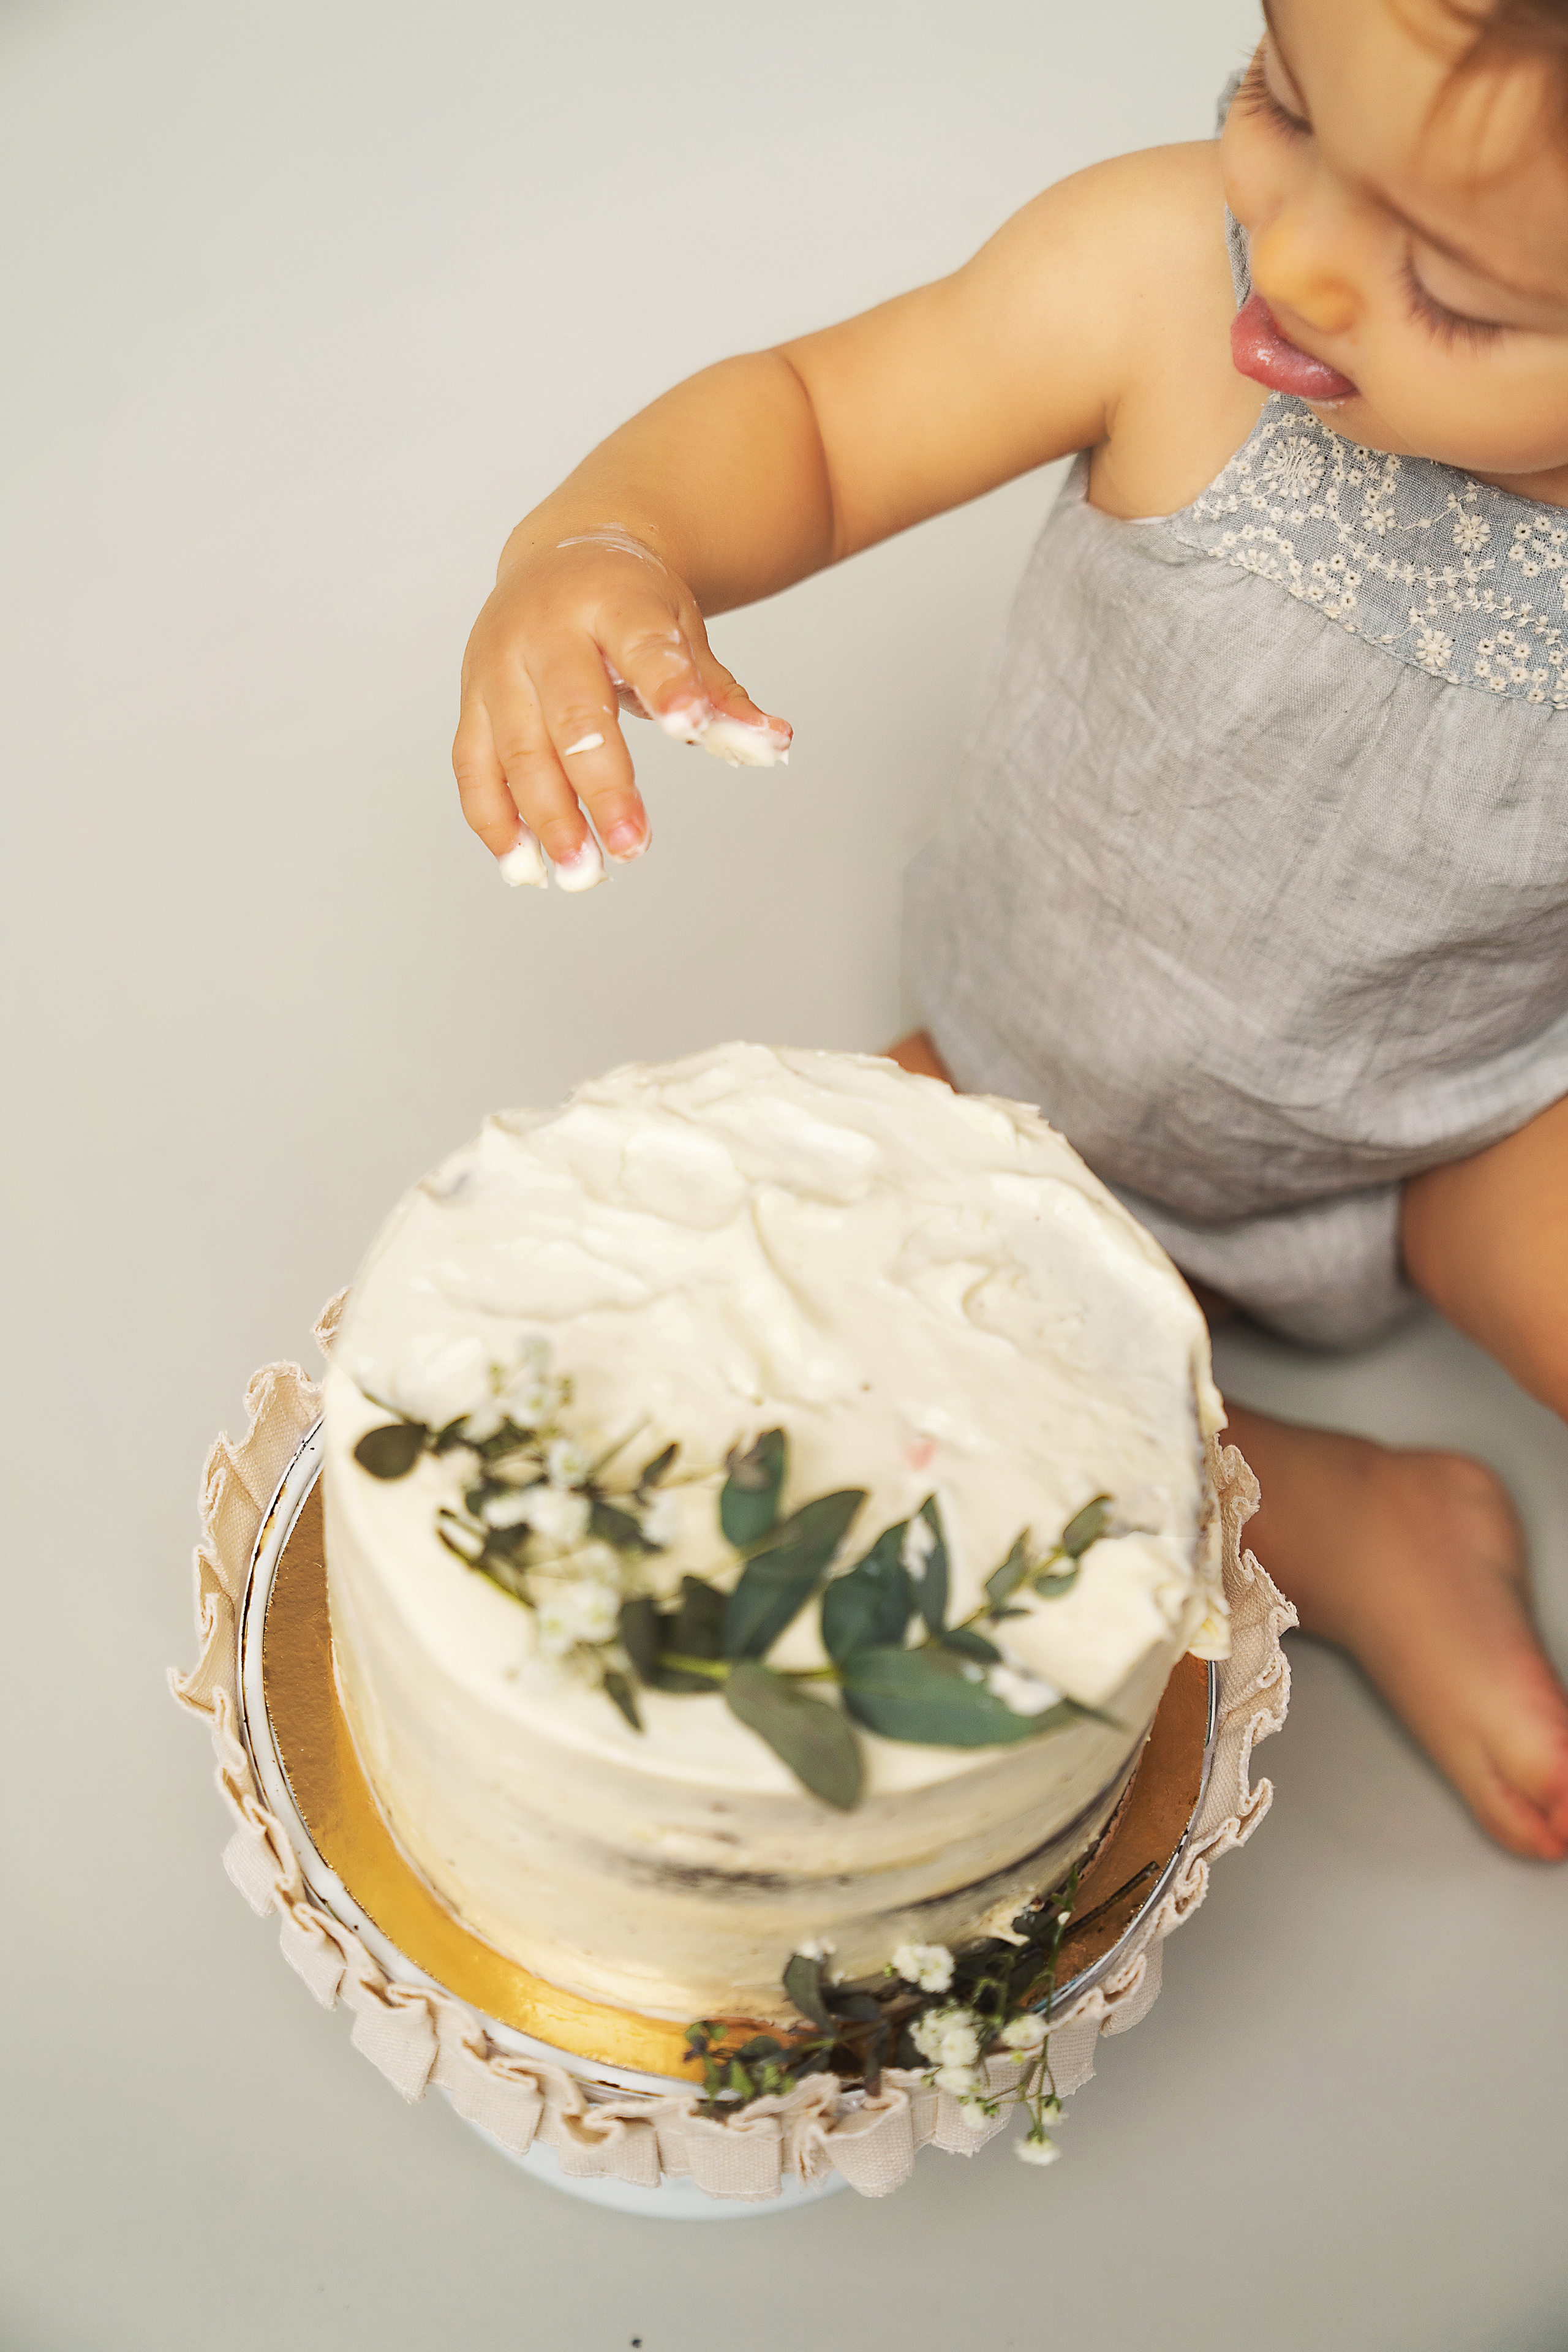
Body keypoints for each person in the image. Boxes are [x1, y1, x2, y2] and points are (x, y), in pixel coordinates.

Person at [450, 0, 1568, 1861]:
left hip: (1457, 1128)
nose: (1290, 253)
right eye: (1277, 103)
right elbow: (814, 421)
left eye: (1453, 290)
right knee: (804, 1352)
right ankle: (1333, 1514)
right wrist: (610, 546)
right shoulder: (1161, 290)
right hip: (1028, 1069)